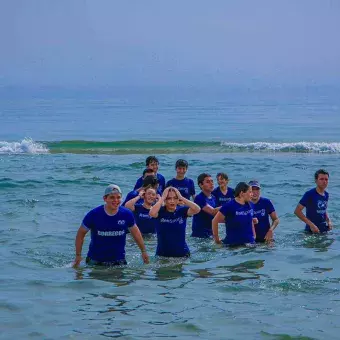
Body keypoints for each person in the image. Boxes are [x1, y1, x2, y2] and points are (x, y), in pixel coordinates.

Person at [73, 184, 149, 267]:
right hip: (95, 261)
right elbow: (80, 234)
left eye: (118, 197)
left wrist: (143, 251)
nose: (116, 200)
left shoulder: (126, 214)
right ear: (105, 199)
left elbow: (136, 233)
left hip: (119, 261)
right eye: (112, 197)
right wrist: (78, 255)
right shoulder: (94, 214)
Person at [149, 187, 200, 257]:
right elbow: (151, 213)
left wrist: (181, 197)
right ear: (165, 200)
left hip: (182, 255)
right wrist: (162, 198)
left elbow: (197, 209)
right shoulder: (160, 212)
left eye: (175, 198)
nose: (172, 201)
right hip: (163, 256)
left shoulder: (182, 211)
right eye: (169, 198)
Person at [212, 182, 256, 246]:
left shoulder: (251, 204)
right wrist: (217, 240)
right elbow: (214, 221)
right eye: (250, 192)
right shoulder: (229, 205)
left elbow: (250, 220)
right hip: (233, 246)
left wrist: (254, 235)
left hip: (250, 244)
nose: (252, 194)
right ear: (241, 193)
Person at [294, 169, 332, 233]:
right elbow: (297, 211)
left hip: (324, 229)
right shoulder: (310, 194)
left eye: (326, 179)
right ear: (316, 181)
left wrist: (329, 221)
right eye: (321, 179)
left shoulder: (326, 194)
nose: (324, 181)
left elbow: (323, 210)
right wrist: (311, 225)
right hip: (311, 231)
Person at [191, 173, 219, 238]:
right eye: (208, 182)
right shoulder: (199, 198)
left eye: (212, 181)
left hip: (210, 234)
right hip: (199, 236)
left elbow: (217, 214)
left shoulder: (213, 197)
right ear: (201, 185)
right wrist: (230, 204)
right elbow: (212, 211)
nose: (211, 183)